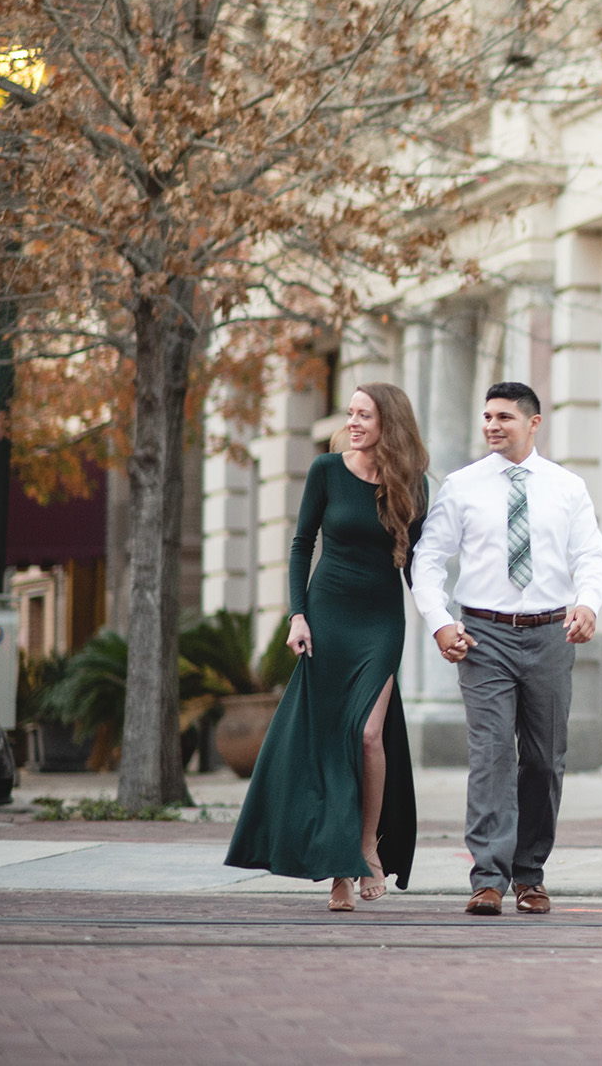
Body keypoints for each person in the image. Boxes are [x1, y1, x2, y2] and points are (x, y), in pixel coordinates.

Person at [225, 383, 428, 912]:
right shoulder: (326, 471)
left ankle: (367, 846)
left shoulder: (413, 484)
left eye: (365, 415)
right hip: (328, 614)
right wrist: (297, 615)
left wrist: (442, 622)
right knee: (332, 739)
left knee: (367, 734)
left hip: (382, 621)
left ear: (390, 423)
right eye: (351, 413)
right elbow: (300, 545)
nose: (353, 422)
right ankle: (340, 870)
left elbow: (423, 566)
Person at [410, 381, 602, 916]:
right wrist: (439, 621)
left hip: (550, 633)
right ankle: (488, 878)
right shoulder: (463, 486)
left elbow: (591, 556)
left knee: (544, 760)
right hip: (483, 636)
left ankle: (530, 874)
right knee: (493, 754)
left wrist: (588, 603)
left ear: (533, 422)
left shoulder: (567, 487)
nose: (492, 426)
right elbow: (428, 558)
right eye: (487, 417)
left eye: (504, 417)